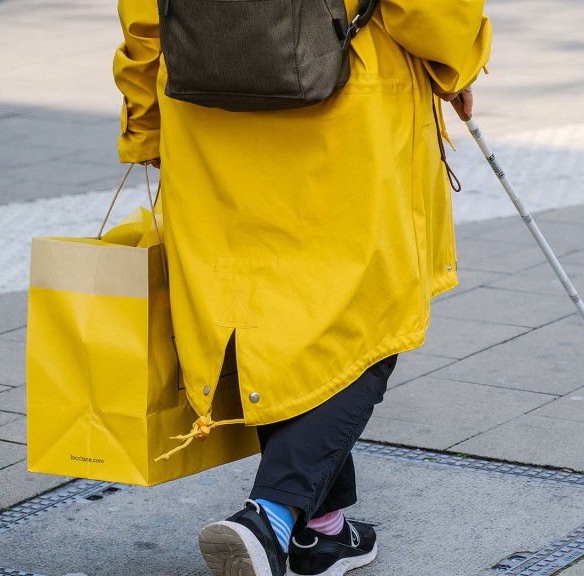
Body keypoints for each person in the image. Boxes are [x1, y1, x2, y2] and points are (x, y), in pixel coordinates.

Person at [113, 1, 492, 574]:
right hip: (344, 100)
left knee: (265, 310)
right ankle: (273, 517)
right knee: (365, 314)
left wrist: (145, 121)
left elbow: (144, 12)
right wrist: (456, 66)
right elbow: (425, 8)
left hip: (203, 97)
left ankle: (323, 530)